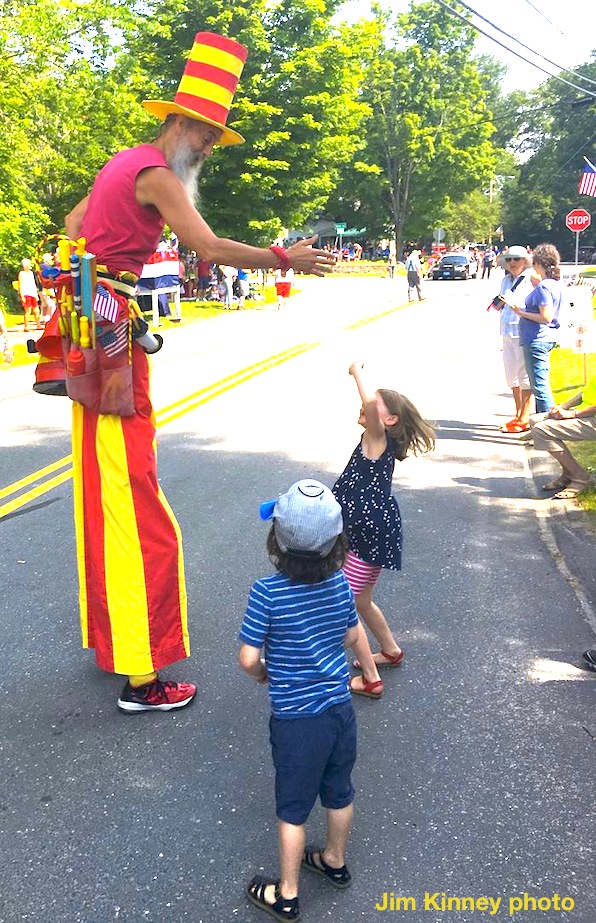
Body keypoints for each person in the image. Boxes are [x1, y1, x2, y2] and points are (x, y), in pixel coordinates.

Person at [61, 31, 336, 712]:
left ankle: (118, 643)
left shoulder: (121, 164)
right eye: (208, 134)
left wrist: (92, 283)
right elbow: (207, 245)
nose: (210, 147)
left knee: (107, 496)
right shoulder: (155, 172)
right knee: (138, 506)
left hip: (93, 339)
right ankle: (143, 677)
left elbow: (72, 224)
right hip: (114, 347)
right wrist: (283, 258)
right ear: (180, 122)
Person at [239, 479, 359, 922]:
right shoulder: (340, 583)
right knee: (339, 791)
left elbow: (249, 657)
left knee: (293, 809)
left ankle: (286, 894)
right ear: (334, 543)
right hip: (339, 710)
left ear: (277, 541)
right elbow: (349, 635)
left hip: (296, 720)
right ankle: (334, 859)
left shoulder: (266, 593)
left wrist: (263, 674)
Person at [333, 362, 435, 698]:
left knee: (344, 604)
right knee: (361, 601)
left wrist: (356, 372)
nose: (364, 406)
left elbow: (370, 404)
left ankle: (371, 678)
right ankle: (390, 651)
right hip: (367, 532)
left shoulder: (378, 438)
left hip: (366, 536)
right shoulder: (371, 438)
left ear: (388, 419)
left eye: (374, 405)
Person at [504, 243, 564, 414]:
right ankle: (542, 425)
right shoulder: (554, 284)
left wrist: (520, 312)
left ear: (538, 263)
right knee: (540, 384)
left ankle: (545, 428)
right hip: (546, 337)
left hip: (537, 338)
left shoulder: (545, 287)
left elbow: (546, 317)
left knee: (539, 387)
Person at [530, 372, 596, 499]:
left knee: (541, 430)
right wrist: (562, 408)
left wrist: (573, 414)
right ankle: (568, 472)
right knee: (535, 421)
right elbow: (587, 392)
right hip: (588, 414)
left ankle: (581, 478)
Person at [494, 245, 536, 433]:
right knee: (512, 376)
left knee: (524, 374)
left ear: (525, 261)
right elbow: (502, 301)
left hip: (523, 330)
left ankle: (525, 417)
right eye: (509, 259)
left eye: (516, 259)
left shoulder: (531, 279)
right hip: (506, 330)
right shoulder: (505, 280)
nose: (512, 263)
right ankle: (518, 414)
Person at [17, 258, 42, 331]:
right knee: (28, 310)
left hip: (33, 293)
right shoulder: (21, 273)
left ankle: (38, 325)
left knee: (36, 310)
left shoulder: (31, 273)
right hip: (26, 294)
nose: (31, 265)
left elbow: (33, 284)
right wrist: (22, 295)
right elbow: (20, 285)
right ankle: (26, 326)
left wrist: (36, 294)